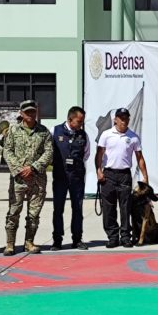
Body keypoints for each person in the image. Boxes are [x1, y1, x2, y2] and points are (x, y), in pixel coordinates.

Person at [3, 100, 53, 256]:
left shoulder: (44, 132)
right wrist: (19, 169)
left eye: (33, 111)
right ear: (21, 113)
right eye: (27, 112)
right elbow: (7, 151)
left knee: (34, 214)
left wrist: (33, 168)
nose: (31, 114)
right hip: (18, 179)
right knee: (14, 211)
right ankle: (10, 244)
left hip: (37, 179)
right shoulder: (13, 130)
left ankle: (29, 242)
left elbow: (49, 152)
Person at [95, 107, 148, 248]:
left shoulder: (133, 137)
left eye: (127, 118)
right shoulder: (106, 134)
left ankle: (125, 237)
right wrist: (98, 171)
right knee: (109, 208)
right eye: (122, 118)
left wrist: (145, 176)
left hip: (125, 174)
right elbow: (99, 154)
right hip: (108, 174)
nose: (124, 121)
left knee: (125, 207)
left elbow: (140, 157)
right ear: (115, 120)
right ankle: (112, 237)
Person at [51, 106, 90, 251]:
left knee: (77, 208)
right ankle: (57, 240)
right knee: (58, 209)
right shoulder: (55, 131)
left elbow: (86, 154)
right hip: (60, 176)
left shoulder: (83, 135)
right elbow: (49, 151)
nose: (81, 124)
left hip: (76, 177)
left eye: (82, 121)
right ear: (70, 119)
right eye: (79, 121)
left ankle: (77, 239)